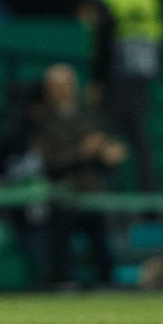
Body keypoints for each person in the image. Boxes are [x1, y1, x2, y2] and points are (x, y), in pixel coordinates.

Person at [36, 63, 125, 287]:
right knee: (61, 251)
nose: (64, 90)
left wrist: (107, 153)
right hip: (63, 195)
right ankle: (65, 284)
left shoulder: (87, 115)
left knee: (101, 248)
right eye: (58, 86)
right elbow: (50, 161)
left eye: (67, 85)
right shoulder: (43, 120)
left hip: (91, 193)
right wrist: (82, 152)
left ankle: (106, 284)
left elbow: (103, 144)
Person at [91, 0, 163, 191]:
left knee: (109, 135)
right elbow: (161, 38)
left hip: (117, 75)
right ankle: (149, 196)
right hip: (144, 74)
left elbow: (103, 40)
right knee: (140, 137)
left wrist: (98, 80)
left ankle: (111, 195)